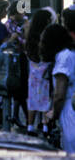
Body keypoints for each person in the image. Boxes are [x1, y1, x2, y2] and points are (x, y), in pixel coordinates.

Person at [40, 21, 75, 153]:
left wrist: (53, 113)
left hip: (69, 112)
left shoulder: (63, 58)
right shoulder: (71, 53)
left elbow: (59, 94)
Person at [25, 7, 55, 135]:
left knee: (33, 97)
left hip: (33, 69)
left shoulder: (31, 34)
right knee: (46, 97)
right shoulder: (47, 34)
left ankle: (30, 126)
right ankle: (45, 126)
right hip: (46, 68)